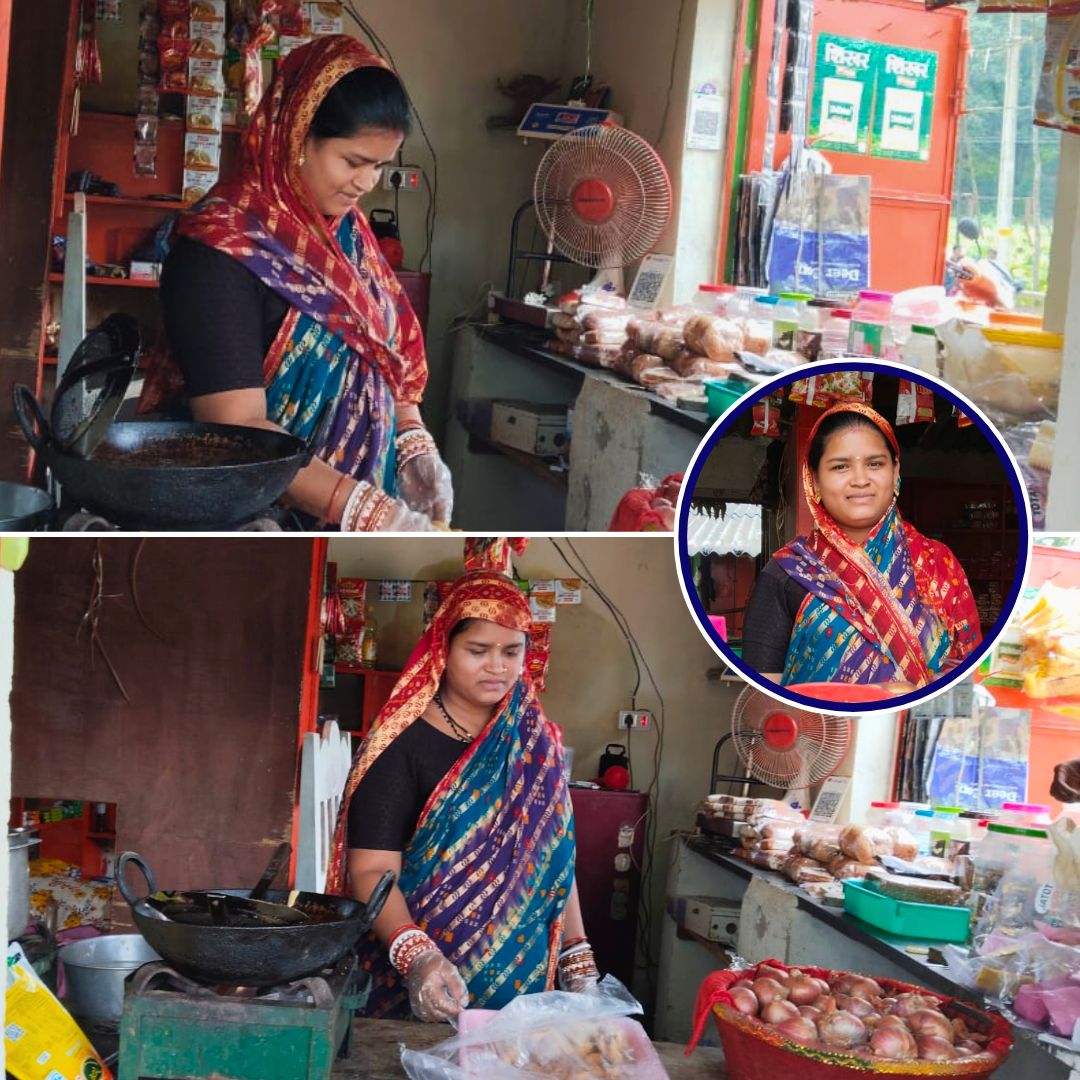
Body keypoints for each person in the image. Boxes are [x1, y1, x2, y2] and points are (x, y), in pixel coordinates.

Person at [147, 36, 450, 531]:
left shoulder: (348, 237)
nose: (366, 183)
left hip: (350, 511)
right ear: (295, 135)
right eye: (353, 161)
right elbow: (238, 428)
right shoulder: (218, 252)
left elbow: (383, 353)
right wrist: (358, 508)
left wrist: (411, 438)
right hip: (254, 522)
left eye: (379, 166)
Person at [325, 570, 598, 1021]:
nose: (497, 666)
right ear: (443, 648)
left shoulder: (534, 741)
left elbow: (552, 857)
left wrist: (576, 952)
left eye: (511, 651)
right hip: (416, 990)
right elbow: (371, 868)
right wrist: (418, 958)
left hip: (521, 991)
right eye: (478, 650)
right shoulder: (400, 746)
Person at [742, 402, 982, 688]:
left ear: (895, 472)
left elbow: (969, 679)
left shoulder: (938, 563)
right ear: (814, 479)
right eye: (840, 466)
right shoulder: (787, 572)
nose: (860, 480)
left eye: (875, 464)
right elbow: (762, 699)